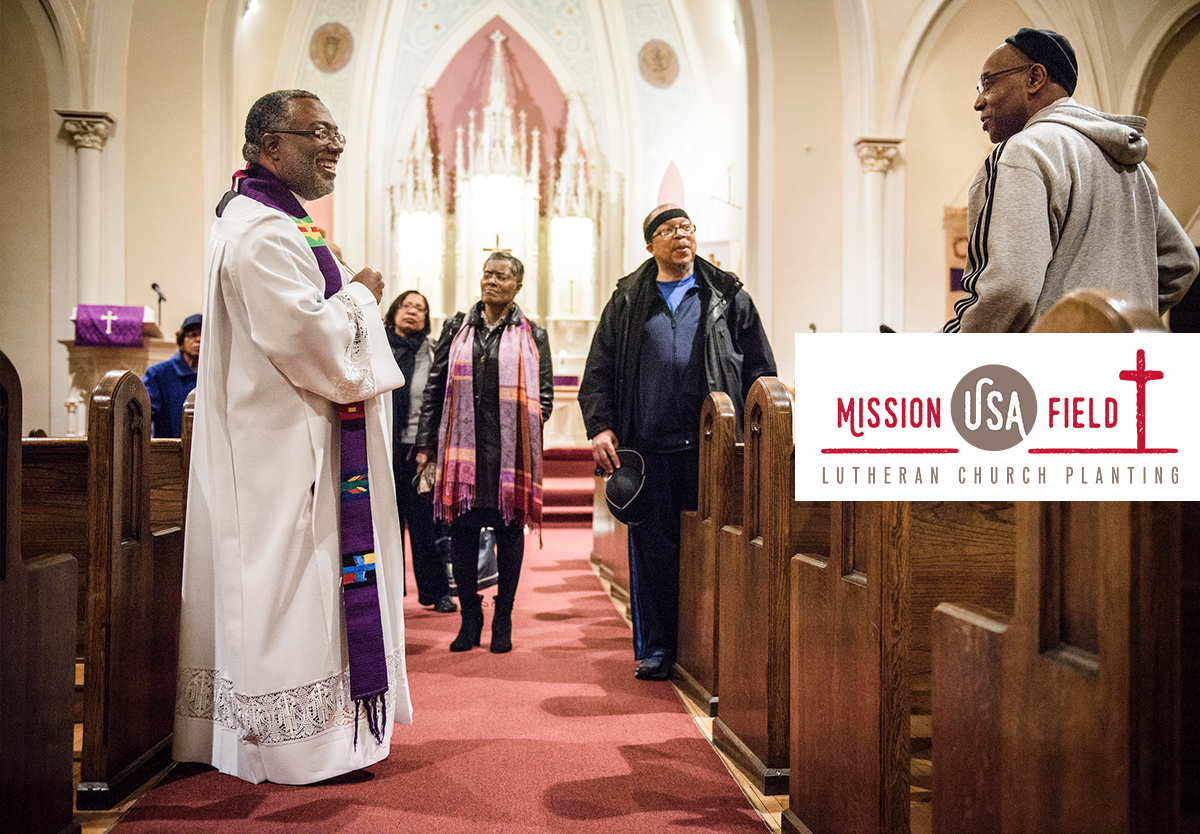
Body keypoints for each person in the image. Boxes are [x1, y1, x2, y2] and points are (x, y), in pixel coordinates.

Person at [174, 89, 412, 785]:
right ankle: (291, 745)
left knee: (299, 591)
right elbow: (320, 346)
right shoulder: (263, 233)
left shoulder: (273, 219)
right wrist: (364, 293)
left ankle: (308, 735)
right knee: (289, 591)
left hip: (291, 444)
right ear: (270, 146)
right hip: (284, 453)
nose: (334, 145)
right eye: (319, 133)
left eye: (336, 132)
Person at [578, 204, 776, 681]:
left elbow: (759, 368)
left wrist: (757, 428)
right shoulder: (628, 298)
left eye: (685, 227)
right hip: (647, 446)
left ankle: (714, 645)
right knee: (653, 551)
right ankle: (659, 647)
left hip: (714, 446)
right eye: (667, 231)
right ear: (651, 246)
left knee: (716, 548)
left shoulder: (728, 295)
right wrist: (600, 425)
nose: (679, 236)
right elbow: (599, 368)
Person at [943, 28, 1199, 333]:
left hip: (1050, 373)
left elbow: (1009, 287)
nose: (978, 101)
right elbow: (1182, 263)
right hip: (1128, 373)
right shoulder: (1133, 167)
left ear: (1034, 78)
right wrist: (1110, 322)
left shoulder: (1024, 151)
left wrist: (954, 349)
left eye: (987, 83)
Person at [415, 252, 553, 654]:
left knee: (509, 531)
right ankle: (470, 618)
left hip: (509, 455)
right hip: (464, 449)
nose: (492, 281)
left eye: (502, 276)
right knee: (462, 531)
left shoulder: (534, 333)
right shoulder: (457, 327)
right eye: (487, 274)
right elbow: (435, 386)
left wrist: (527, 427)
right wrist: (426, 443)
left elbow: (543, 394)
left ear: (517, 286)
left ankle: (503, 617)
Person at [385, 290, 456, 614]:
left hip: (420, 447)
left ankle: (436, 590)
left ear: (427, 319)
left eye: (420, 308)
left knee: (425, 523)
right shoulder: (378, 345)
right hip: (382, 445)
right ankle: (387, 593)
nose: (413, 312)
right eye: (407, 305)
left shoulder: (431, 351)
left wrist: (432, 446)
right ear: (394, 310)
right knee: (386, 523)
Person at [142, 313, 201, 438]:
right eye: (193, 335)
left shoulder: (214, 375)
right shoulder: (158, 373)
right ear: (181, 340)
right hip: (170, 449)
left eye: (204, 335)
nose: (199, 339)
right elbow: (142, 413)